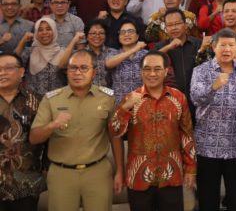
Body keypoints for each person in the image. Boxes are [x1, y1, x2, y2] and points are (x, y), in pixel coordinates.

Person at [30, 50, 123, 211]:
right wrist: (52, 125)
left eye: (83, 68)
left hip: (97, 172)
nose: (77, 73)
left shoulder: (107, 98)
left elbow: (115, 136)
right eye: (73, 68)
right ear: (67, 71)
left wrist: (120, 171)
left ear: (94, 72)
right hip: (62, 173)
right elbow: (34, 138)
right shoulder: (51, 99)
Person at [110, 50, 195, 210]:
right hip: (139, 176)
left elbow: (186, 135)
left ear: (166, 71)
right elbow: (115, 132)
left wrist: (190, 168)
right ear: (141, 72)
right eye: (147, 69)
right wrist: (125, 108)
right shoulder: (130, 98)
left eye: (157, 69)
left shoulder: (178, 98)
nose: (152, 74)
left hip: (171, 174)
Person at [190, 28, 236, 211]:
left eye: (231, 45)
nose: (227, 49)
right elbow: (195, 98)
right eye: (222, 45)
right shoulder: (200, 71)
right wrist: (214, 86)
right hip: (207, 146)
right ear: (213, 46)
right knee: (208, 198)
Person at [0, 51, 46, 210]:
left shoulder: (37, 101)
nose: (2, 73)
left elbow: (47, 139)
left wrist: (46, 168)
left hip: (27, 183)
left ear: (21, 72)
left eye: (8, 68)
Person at [155, 9, 201, 107]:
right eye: (170, 25)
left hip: (195, 99)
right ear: (165, 28)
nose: (174, 28)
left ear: (185, 25)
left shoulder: (198, 44)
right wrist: (169, 47)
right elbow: (150, 61)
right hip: (170, 100)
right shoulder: (161, 46)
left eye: (177, 24)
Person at [105, 19, 148, 103]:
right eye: (122, 32)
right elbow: (108, 64)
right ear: (118, 36)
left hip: (141, 102)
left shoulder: (145, 54)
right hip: (119, 103)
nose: (126, 34)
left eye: (130, 31)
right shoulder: (113, 53)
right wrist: (135, 49)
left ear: (137, 36)